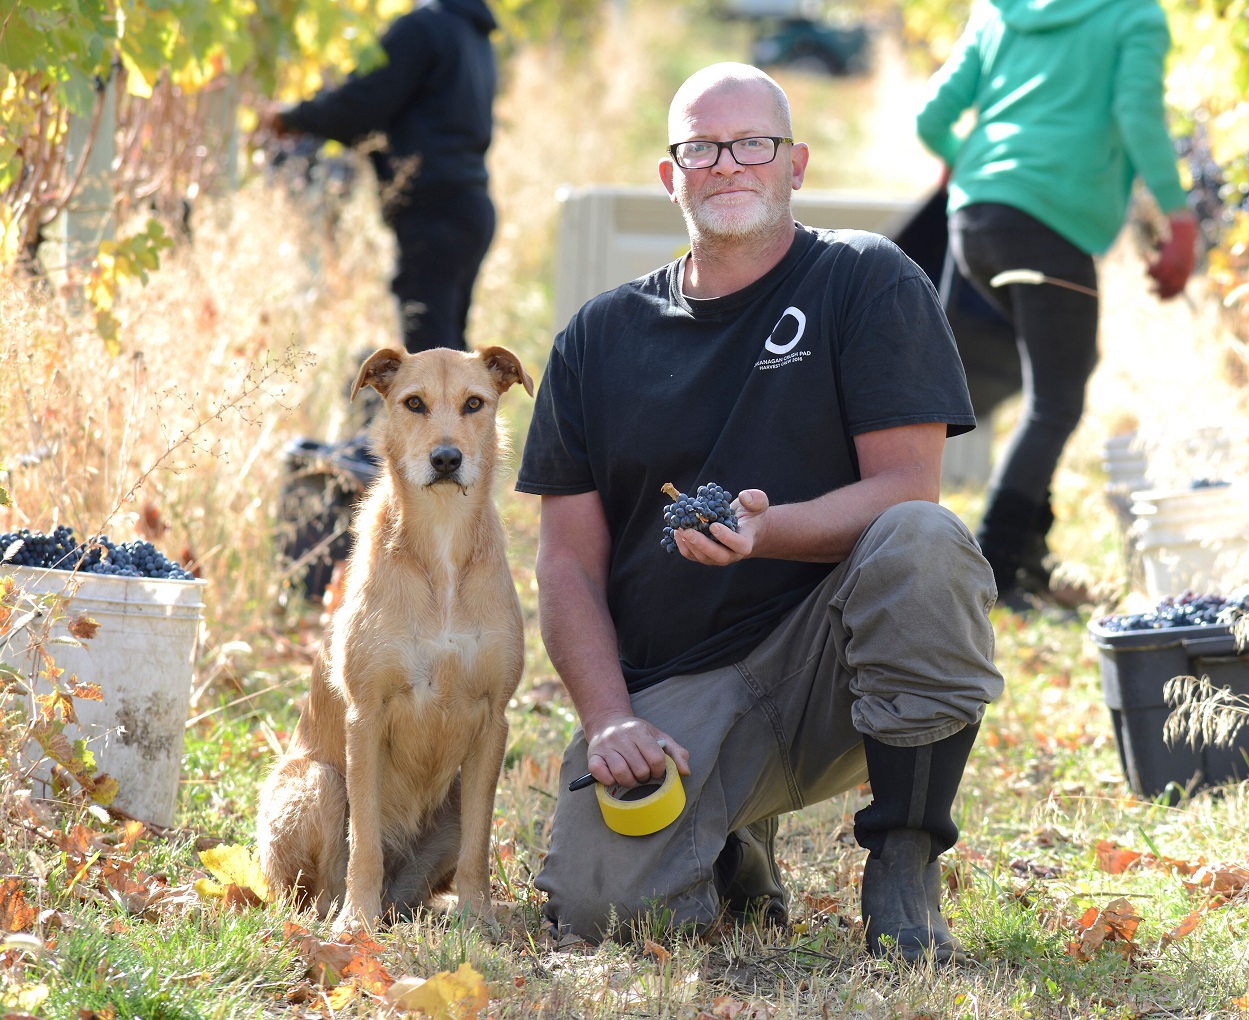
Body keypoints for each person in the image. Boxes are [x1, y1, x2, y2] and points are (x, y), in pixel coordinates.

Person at [515, 63, 1006, 962]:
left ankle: (903, 860)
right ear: (671, 175)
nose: (728, 165)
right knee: (602, 912)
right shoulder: (596, 339)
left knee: (925, 544)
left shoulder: (867, 280)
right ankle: (736, 845)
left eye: (754, 144)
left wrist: (766, 532)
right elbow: (566, 565)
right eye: (700, 148)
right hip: (684, 686)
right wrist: (610, 718)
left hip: (840, 664)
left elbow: (907, 491)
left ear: (796, 165)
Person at [917, 0, 1199, 610]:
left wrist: (959, 158)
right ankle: (994, 569)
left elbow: (932, 114)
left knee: (1055, 377)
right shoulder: (1133, 17)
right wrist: (1177, 214)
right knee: (1057, 399)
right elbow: (1137, 114)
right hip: (1050, 221)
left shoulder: (999, 10)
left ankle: (1029, 554)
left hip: (976, 218)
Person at [263, 0, 500, 354]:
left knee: (431, 363)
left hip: (434, 213)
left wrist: (291, 117)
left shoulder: (422, 28)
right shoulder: (474, 36)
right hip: (470, 208)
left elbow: (359, 106)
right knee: (450, 358)